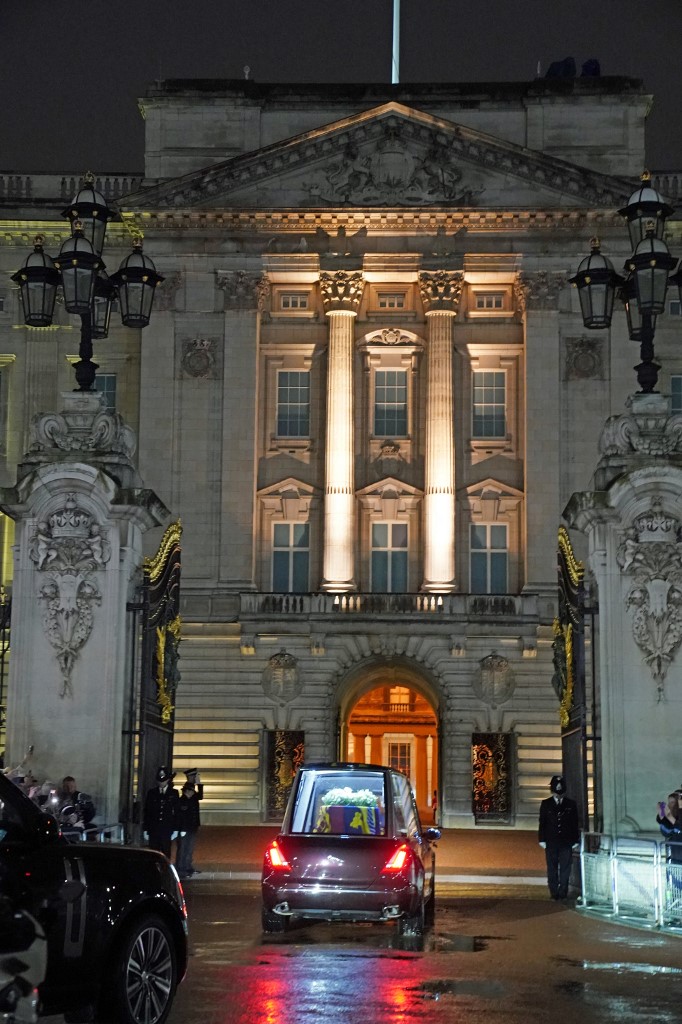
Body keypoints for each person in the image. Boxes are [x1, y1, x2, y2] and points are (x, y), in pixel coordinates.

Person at [538, 774, 580, 900]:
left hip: (566, 841)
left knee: (565, 869)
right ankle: (554, 891)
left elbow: (574, 823)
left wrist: (575, 839)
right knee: (552, 867)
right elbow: (543, 823)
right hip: (551, 841)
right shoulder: (546, 804)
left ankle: (563, 891)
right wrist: (542, 839)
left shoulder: (570, 804)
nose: (558, 790)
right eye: (556, 787)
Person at [142, 766, 179, 858]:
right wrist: (146, 828)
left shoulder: (173, 793)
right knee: (153, 853)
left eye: (164, 780)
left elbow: (176, 812)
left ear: (168, 780)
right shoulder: (152, 793)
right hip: (154, 829)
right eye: (160, 781)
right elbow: (147, 811)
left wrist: (175, 828)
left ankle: (165, 872)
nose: (162, 783)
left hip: (167, 829)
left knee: (166, 853)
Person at [175, 782, 201, 879]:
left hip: (192, 828)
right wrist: (180, 829)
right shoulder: (182, 801)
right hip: (184, 829)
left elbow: (200, 796)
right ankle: (181, 869)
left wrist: (199, 783)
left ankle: (188, 867)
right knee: (183, 849)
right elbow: (179, 817)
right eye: (191, 791)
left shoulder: (192, 800)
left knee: (189, 849)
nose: (193, 793)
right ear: (187, 791)